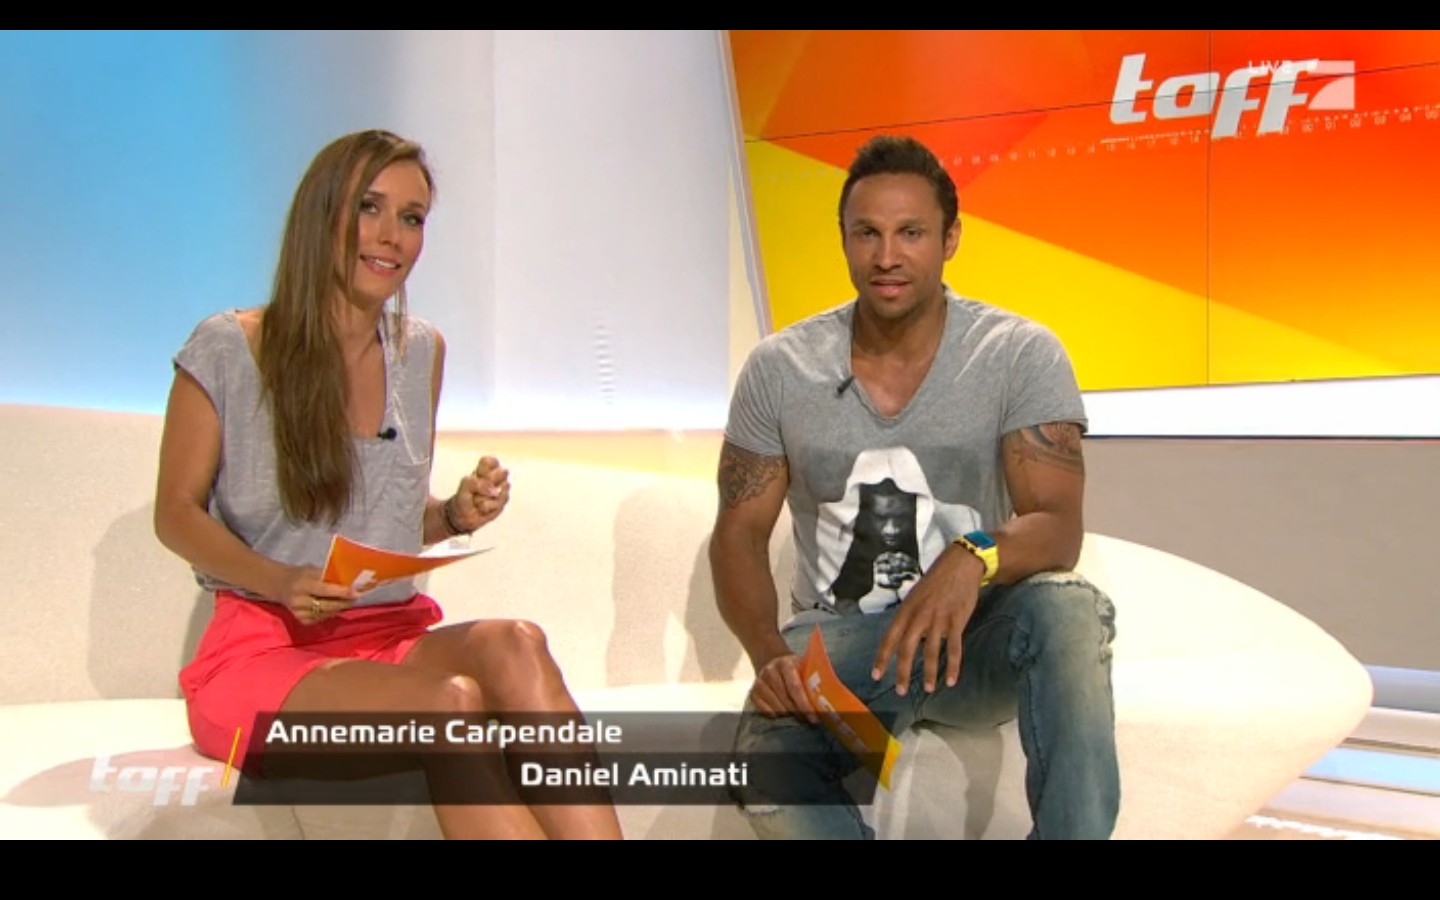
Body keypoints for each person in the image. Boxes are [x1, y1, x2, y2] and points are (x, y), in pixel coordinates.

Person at [154, 129, 622, 840]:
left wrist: (453, 515)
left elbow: (384, 524)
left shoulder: (420, 351)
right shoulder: (229, 346)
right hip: (264, 652)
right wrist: (280, 580)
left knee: (517, 641)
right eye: (369, 208)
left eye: (412, 217)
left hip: (390, 635)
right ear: (322, 216)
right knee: (447, 701)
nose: (391, 236)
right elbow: (176, 514)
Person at [710, 135, 1119, 839]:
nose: (887, 256)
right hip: (842, 651)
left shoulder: (1017, 353)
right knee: (766, 765)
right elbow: (739, 534)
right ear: (844, 240)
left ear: (950, 239)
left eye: (911, 233)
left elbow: (1057, 525)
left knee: (1068, 609)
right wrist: (769, 654)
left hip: (972, 641)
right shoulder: (780, 368)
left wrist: (972, 555)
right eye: (867, 233)